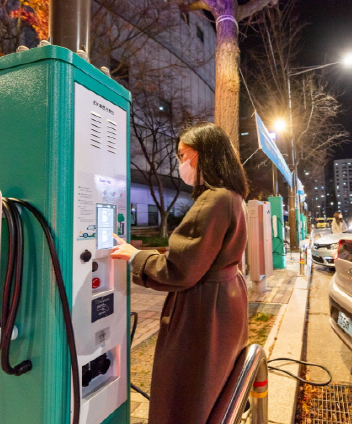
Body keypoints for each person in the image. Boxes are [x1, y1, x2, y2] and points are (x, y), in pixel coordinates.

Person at [111, 121, 249, 424]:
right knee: (213, 386)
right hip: (225, 302)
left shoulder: (214, 199)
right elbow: (202, 254)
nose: (180, 162)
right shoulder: (233, 196)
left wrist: (136, 257)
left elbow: (180, 270)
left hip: (202, 311)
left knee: (186, 391)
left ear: (201, 156)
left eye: (182, 154)